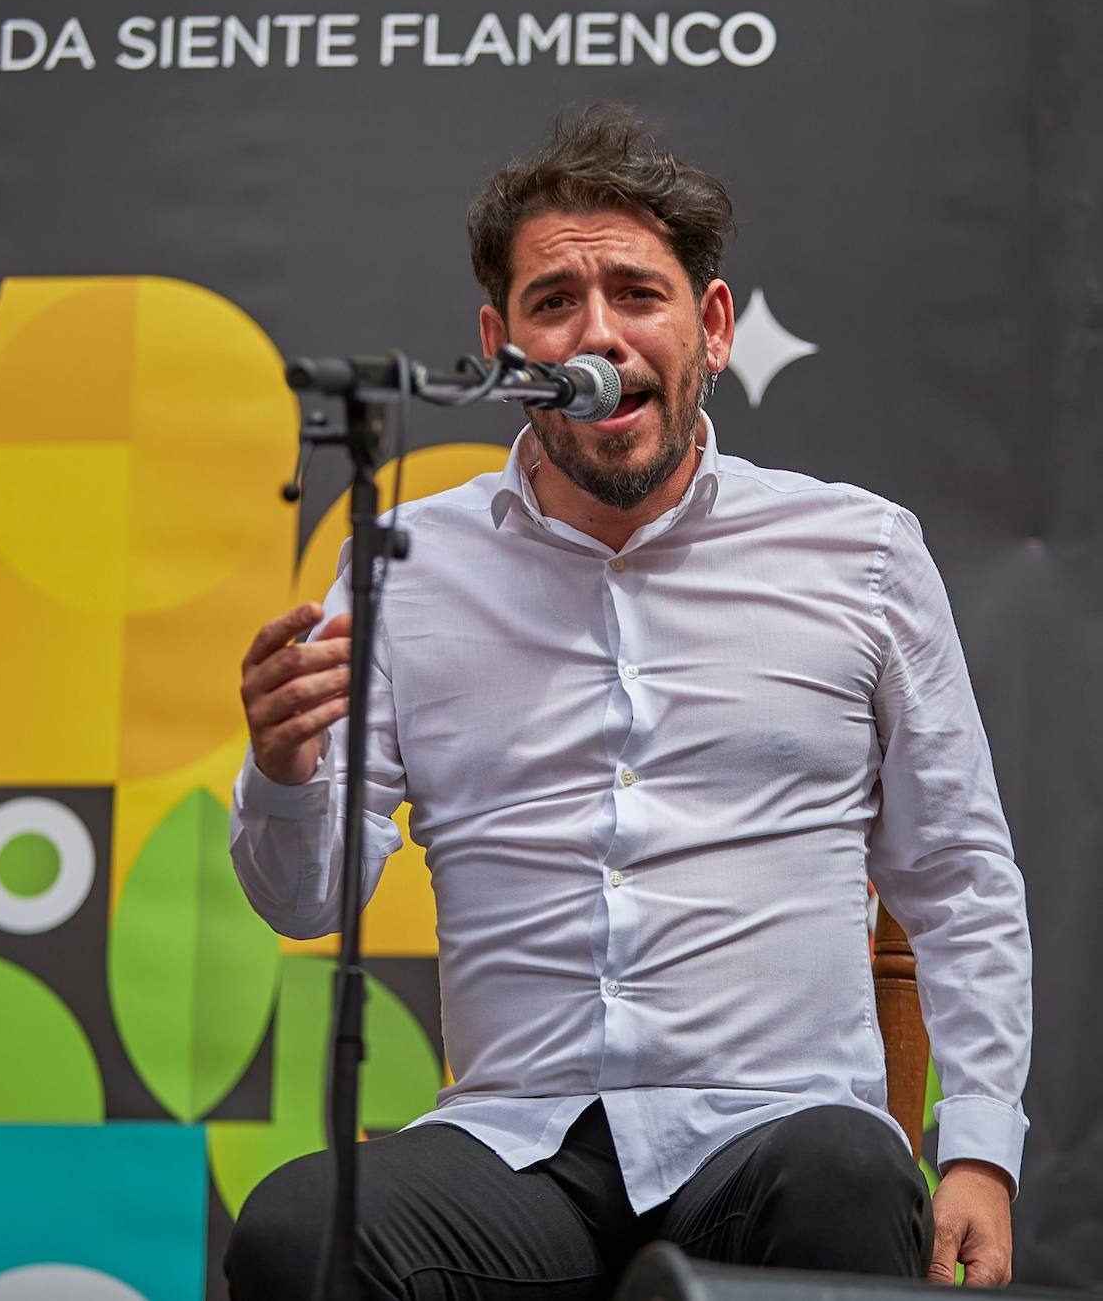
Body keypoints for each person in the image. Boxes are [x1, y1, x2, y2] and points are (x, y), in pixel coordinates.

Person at [226, 106, 1031, 1300]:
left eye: (637, 295)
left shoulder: (859, 552)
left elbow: (958, 877)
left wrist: (980, 1153)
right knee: (299, 1228)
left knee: (849, 1175)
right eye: (555, 303)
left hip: (772, 1138)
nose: (598, 333)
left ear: (708, 326)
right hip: (517, 1150)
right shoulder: (400, 564)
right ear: (501, 344)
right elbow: (306, 903)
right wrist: (284, 777)